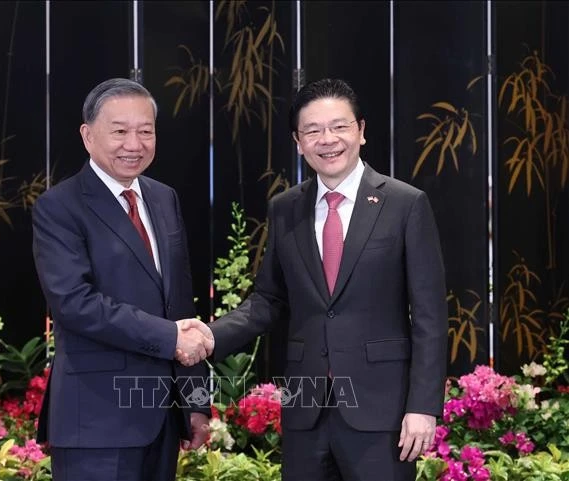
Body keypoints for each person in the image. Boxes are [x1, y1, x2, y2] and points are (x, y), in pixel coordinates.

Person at [179, 78, 448, 480]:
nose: (328, 139)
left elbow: (430, 316)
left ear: (361, 130)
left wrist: (423, 407)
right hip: (306, 412)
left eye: (339, 126)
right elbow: (268, 299)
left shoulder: (404, 204)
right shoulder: (286, 208)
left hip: (382, 413)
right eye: (313, 130)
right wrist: (211, 336)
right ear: (298, 141)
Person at [32, 78, 215, 481]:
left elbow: (180, 305)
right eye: (119, 131)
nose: (134, 144)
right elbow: (75, 304)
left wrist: (196, 402)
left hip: (163, 421)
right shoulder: (59, 207)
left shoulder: (163, 198)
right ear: (87, 135)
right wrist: (170, 338)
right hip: (96, 423)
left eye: (145, 131)